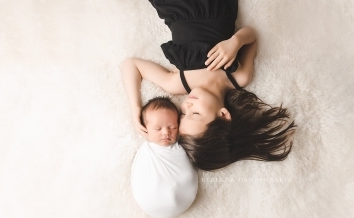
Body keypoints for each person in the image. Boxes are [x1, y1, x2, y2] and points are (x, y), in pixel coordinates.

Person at [122, 0, 296, 171]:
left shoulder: (178, 83)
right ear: (223, 114)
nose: (187, 105)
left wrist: (136, 107)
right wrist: (235, 42)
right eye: (195, 113)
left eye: (183, 114)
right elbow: (252, 37)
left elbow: (131, 65)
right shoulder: (238, 77)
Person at [130, 97, 198, 218]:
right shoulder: (148, 151)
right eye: (158, 129)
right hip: (151, 202)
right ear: (145, 128)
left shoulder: (181, 147)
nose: (166, 132)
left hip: (184, 198)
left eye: (172, 127)